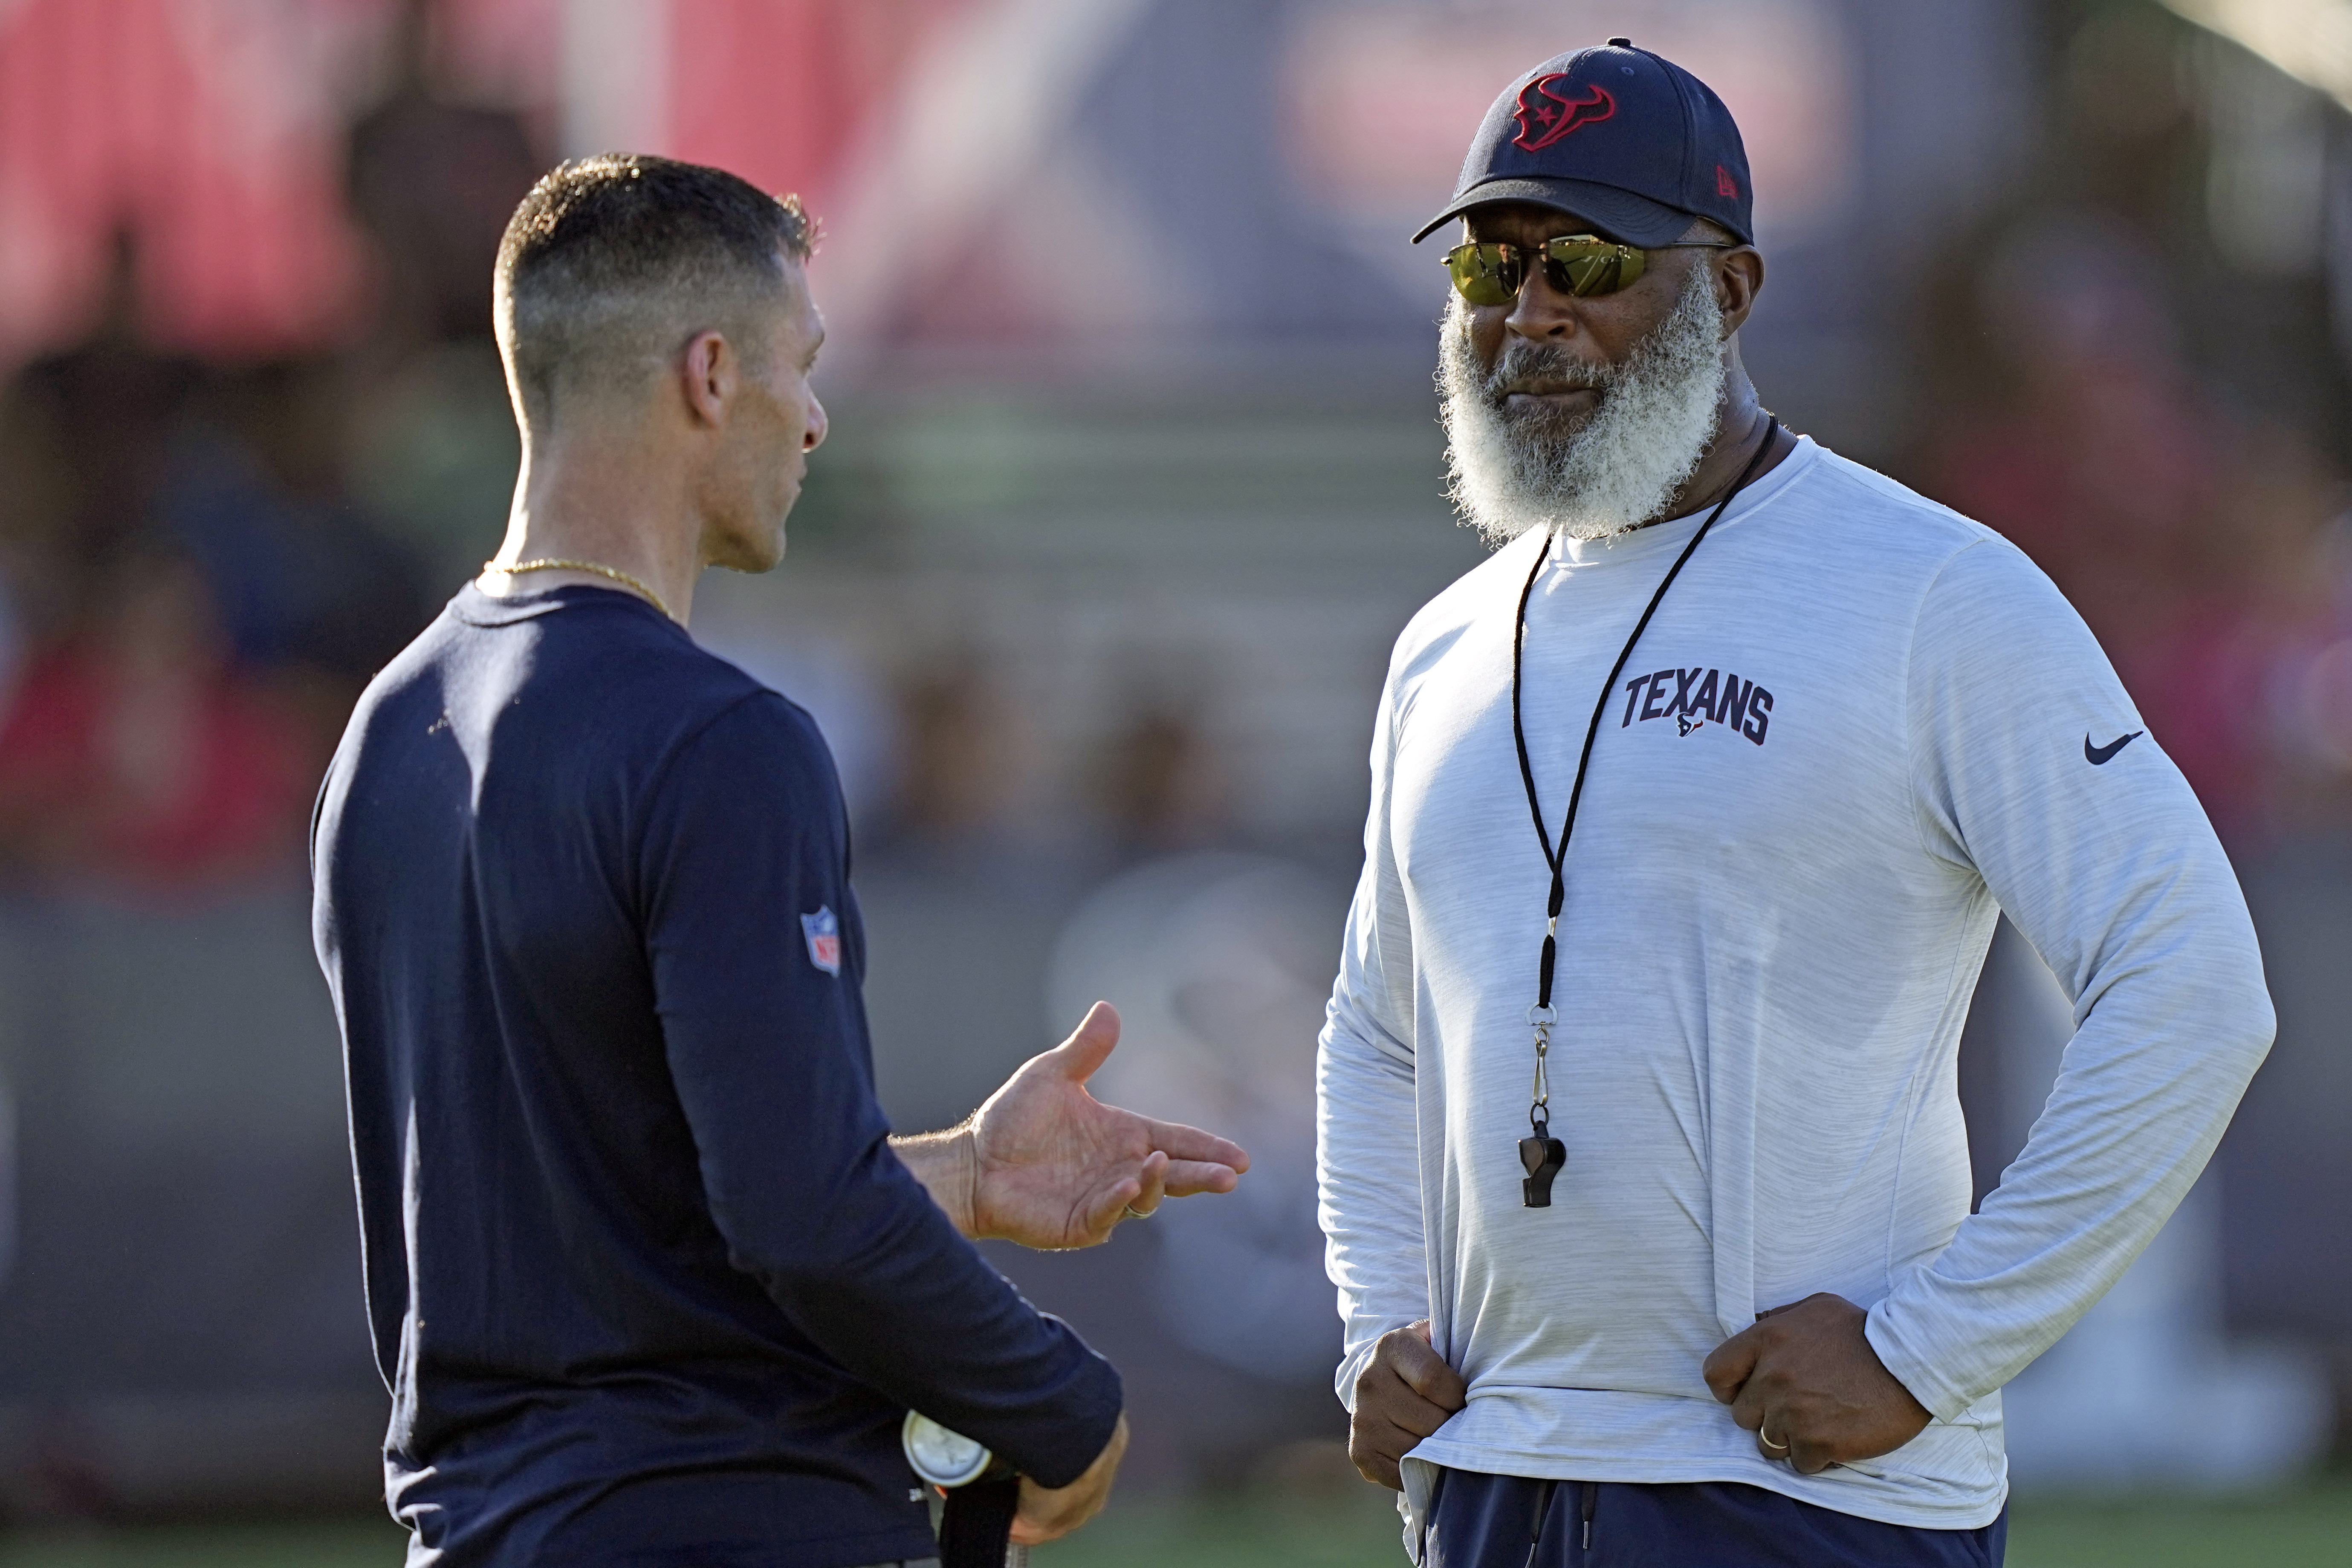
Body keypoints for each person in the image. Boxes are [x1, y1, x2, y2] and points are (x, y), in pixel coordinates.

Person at [1316, 41, 2272, 1568]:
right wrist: (1377, 1325)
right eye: (1489, 270)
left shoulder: (1930, 593)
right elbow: (1376, 1033)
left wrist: (1929, 1350)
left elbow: (2195, 986)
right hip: (1497, 1484)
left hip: (1805, 1497)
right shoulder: (1442, 642)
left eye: (1585, 258)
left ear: (1733, 290)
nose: (1529, 312)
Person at [310, 155, 1249, 1568]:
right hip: (725, 1520)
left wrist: (962, 1174)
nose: (814, 420)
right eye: (801, 369)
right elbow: (800, 1219)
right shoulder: (722, 741)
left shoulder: (382, 736)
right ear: (707, 375)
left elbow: (617, 1203)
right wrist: (1065, 1409)